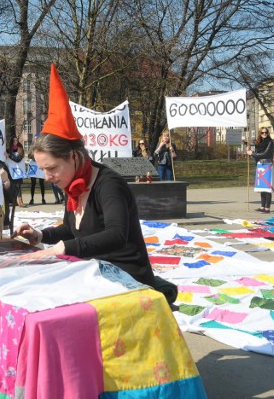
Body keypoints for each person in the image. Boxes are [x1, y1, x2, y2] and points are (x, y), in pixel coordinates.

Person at [13, 64, 176, 305]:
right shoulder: (74, 186)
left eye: (52, 168)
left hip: (126, 277)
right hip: (95, 272)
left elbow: (116, 235)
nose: (47, 177)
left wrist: (63, 248)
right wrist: (40, 235)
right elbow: (71, 231)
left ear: (75, 157)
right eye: (43, 170)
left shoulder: (108, 184)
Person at [246, 127, 274, 213]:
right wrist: (249, 151)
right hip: (260, 165)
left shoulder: (270, 142)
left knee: (267, 187)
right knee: (262, 187)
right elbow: (257, 154)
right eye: (262, 133)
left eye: (266, 132)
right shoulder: (258, 143)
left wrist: (252, 153)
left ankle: (267, 207)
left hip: (267, 165)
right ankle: (262, 206)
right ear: (260, 133)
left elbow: (265, 154)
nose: (264, 134)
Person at [6, 136, 26, 207]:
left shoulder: (20, 150)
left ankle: (20, 201)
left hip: (18, 171)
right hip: (11, 171)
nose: (15, 142)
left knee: (18, 187)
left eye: (16, 140)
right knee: (11, 186)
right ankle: (13, 201)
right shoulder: (8, 150)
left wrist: (9, 156)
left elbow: (18, 159)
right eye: (14, 141)